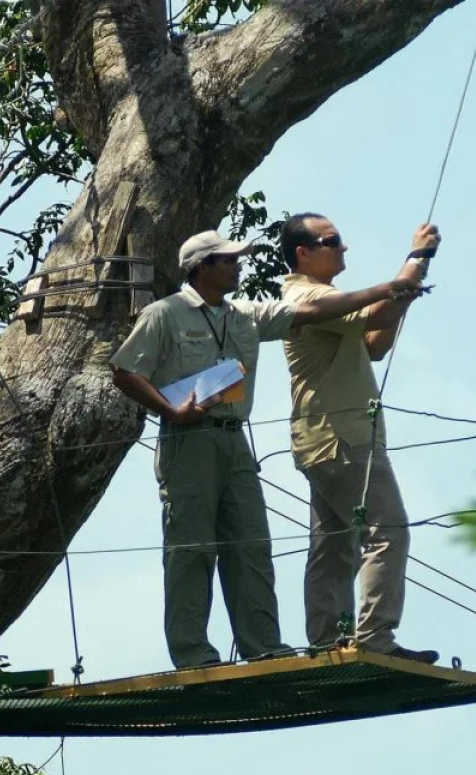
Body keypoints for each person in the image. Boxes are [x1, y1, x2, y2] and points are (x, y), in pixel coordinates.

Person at [111, 229, 422, 670]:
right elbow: (125, 370)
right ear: (203, 266)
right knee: (192, 547)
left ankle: (263, 647)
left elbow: (310, 310)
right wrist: (169, 409)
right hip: (188, 440)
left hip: (235, 437)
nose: (239, 265)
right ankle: (194, 654)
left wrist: (387, 293)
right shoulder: (166, 314)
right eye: (229, 260)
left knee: (251, 544)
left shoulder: (245, 315)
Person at [279, 214, 441, 664]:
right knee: (388, 531)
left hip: (324, 438)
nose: (343, 247)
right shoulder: (307, 295)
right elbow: (377, 310)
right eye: (332, 241)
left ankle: (328, 640)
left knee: (334, 543)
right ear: (303, 253)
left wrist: (404, 292)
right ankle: (375, 638)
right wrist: (417, 257)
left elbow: (373, 342)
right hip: (342, 438)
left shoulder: (324, 298)